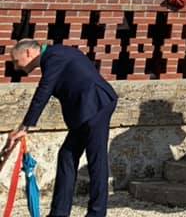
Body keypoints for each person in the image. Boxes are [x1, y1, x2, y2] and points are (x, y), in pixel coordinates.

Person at [5, 40, 118, 217]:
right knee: (66, 155)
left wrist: (25, 126)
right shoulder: (53, 57)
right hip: (84, 111)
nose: (16, 66)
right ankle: (59, 213)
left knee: (96, 160)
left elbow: (44, 91)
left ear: (28, 53)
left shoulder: (54, 56)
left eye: (16, 61)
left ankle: (97, 213)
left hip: (96, 104)